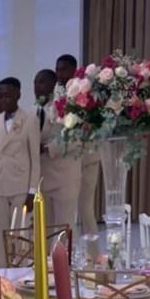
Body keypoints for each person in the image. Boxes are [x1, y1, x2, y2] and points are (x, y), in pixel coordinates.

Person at [0, 77, 41, 263]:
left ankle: (21, 271)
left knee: (20, 232)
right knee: (0, 233)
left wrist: (32, 191)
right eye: (1, 96)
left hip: (20, 183)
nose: (4, 100)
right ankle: (2, 273)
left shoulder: (29, 120)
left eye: (8, 95)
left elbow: (35, 158)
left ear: (18, 95)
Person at [56, 52, 101, 242]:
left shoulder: (87, 93)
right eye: (57, 70)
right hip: (65, 163)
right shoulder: (56, 93)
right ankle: (67, 257)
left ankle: (94, 260)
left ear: (74, 70)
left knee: (85, 208)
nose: (60, 74)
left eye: (64, 69)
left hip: (86, 159)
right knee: (66, 214)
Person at [34, 68, 80, 232]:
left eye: (42, 82)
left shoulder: (66, 108)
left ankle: (66, 258)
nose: (37, 87)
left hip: (64, 178)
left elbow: (76, 138)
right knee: (43, 231)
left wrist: (47, 148)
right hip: (43, 179)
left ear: (53, 85)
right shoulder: (34, 111)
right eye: (35, 83)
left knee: (64, 230)